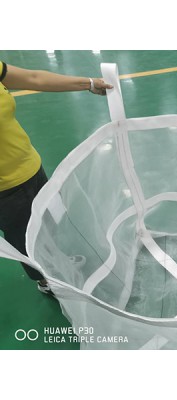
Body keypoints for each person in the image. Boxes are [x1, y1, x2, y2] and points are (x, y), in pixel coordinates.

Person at [0, 60, 113, 295]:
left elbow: (33, 78)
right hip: (6, 191)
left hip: (30, 166)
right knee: (25, 239)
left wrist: (89, 84)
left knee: (48, 224)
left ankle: (54, 264)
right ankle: (46, 281)